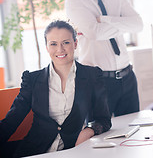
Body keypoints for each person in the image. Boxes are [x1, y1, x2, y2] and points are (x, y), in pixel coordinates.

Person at [0, 20, 111, 158]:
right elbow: (12, 120)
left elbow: (104, 119)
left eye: (66, 42)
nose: (60, 49)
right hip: (34, 152)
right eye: (53, 44)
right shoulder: (32, 79)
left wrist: (88, 131)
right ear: (46, 47)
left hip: (73, 151)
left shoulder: (92, 76)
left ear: (75, 44)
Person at [65, 0, 143, 117]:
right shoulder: (74, 1)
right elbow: (94, 33)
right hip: (96, 81)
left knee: (134, 134)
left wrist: (105, 20)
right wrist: (122, 24)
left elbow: (138, 25)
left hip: (128, 77)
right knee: (98, 135)